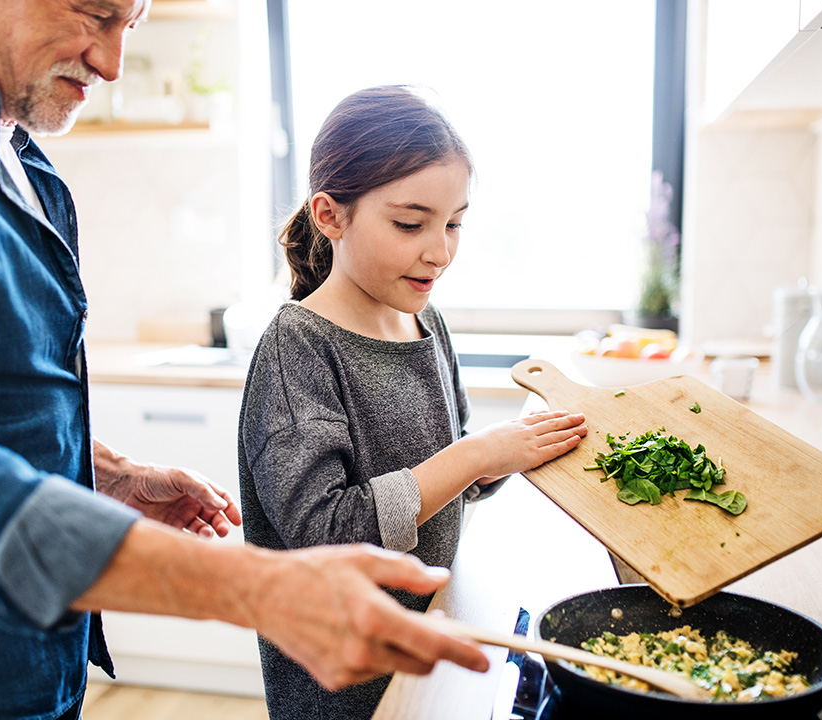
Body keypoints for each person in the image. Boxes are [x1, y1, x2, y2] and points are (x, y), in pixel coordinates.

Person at [0, 2, 490, 718]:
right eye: (95, 12)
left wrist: (100, 474)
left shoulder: (19, 161)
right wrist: (254, 586)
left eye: (130, 28)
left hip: (38, 659)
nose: (112, 65)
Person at [239, 85, 589, 720]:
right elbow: (327, 532)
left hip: (424, 640)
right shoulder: (299, 346)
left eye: (454, 223)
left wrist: (509, 452)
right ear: (329, 216)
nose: (441, 251)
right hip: (340, 681)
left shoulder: (427, 325)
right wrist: (476, 453)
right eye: (410, 223)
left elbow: (451, 477)